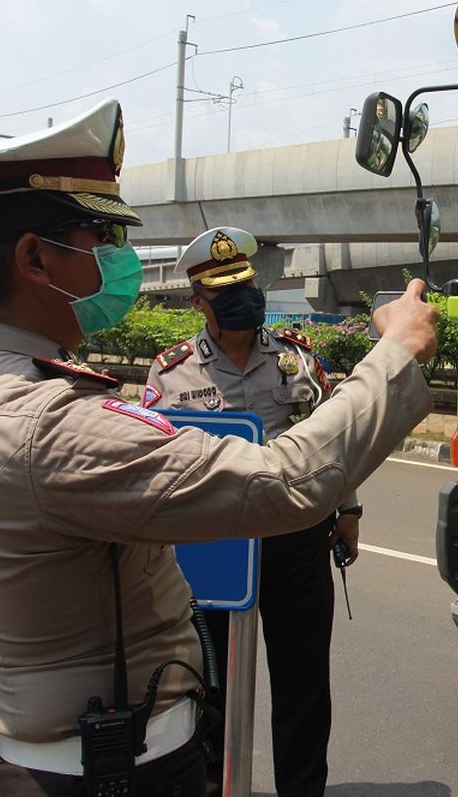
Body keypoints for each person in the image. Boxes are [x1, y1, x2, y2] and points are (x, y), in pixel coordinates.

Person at [0, 99, 438, 796]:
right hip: (117, 773)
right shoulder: (59, 424)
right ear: (35, 258)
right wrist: (395, 354)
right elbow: (280, 481)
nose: (121, 259)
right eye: (100, 236)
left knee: (302, 685)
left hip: (26, 755)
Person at [145, 226, 359, 796]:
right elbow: (154, 464)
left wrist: (349, 512)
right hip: (210, 551)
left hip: (296, 540)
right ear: (197, 301)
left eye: (246, 284)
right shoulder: (170, 374)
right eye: (224, 291)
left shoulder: (298, 360)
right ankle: (214, 786)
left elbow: (332, 442)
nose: (245, 299)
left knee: (304, 686)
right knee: (208, 689)